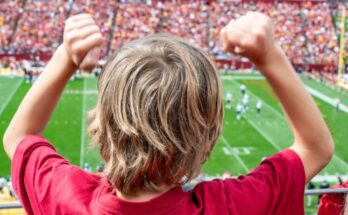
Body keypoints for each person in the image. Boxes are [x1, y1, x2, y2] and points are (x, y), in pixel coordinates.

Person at [3, 12, 334, 215]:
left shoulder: (67, 198)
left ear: (103, 124)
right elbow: (315, 148)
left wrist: (65, 56)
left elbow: (19, 137)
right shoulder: (231, 206)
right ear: (207, 137)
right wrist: (268, 55)